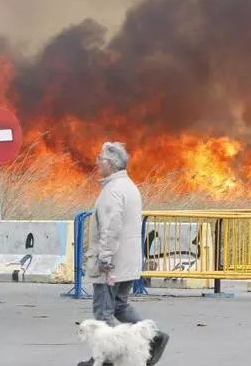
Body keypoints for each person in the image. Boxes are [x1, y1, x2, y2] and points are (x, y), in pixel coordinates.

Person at [80, 142, 169, 366]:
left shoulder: (113, 191)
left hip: (112, 263)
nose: (97, 162)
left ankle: (105, 358)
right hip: (127, 261)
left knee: (103, 312)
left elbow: (111, 227)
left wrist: (105, 258)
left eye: (100, 158)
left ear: (110, 163)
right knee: (120, 305)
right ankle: (153, 337)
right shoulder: (129, 186)